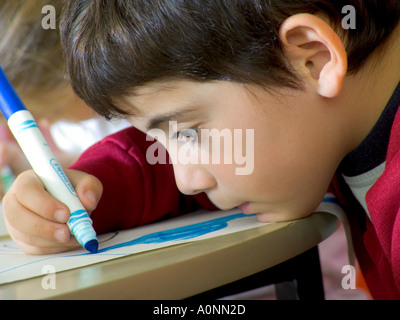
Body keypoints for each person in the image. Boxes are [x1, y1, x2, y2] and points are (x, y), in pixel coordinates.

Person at [3, 0, 400, 299]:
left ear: (314, 59)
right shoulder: (317, 126)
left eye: (188, 134)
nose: (186, 179)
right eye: (166, 140)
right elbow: (149, 165)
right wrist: (82, 195)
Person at [0, 0, 129, 189]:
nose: (47, 124)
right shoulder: (81, 128)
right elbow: (104, 161)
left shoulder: (142, 102)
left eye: (51, 113)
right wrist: (40, 171)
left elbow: (139, 163)